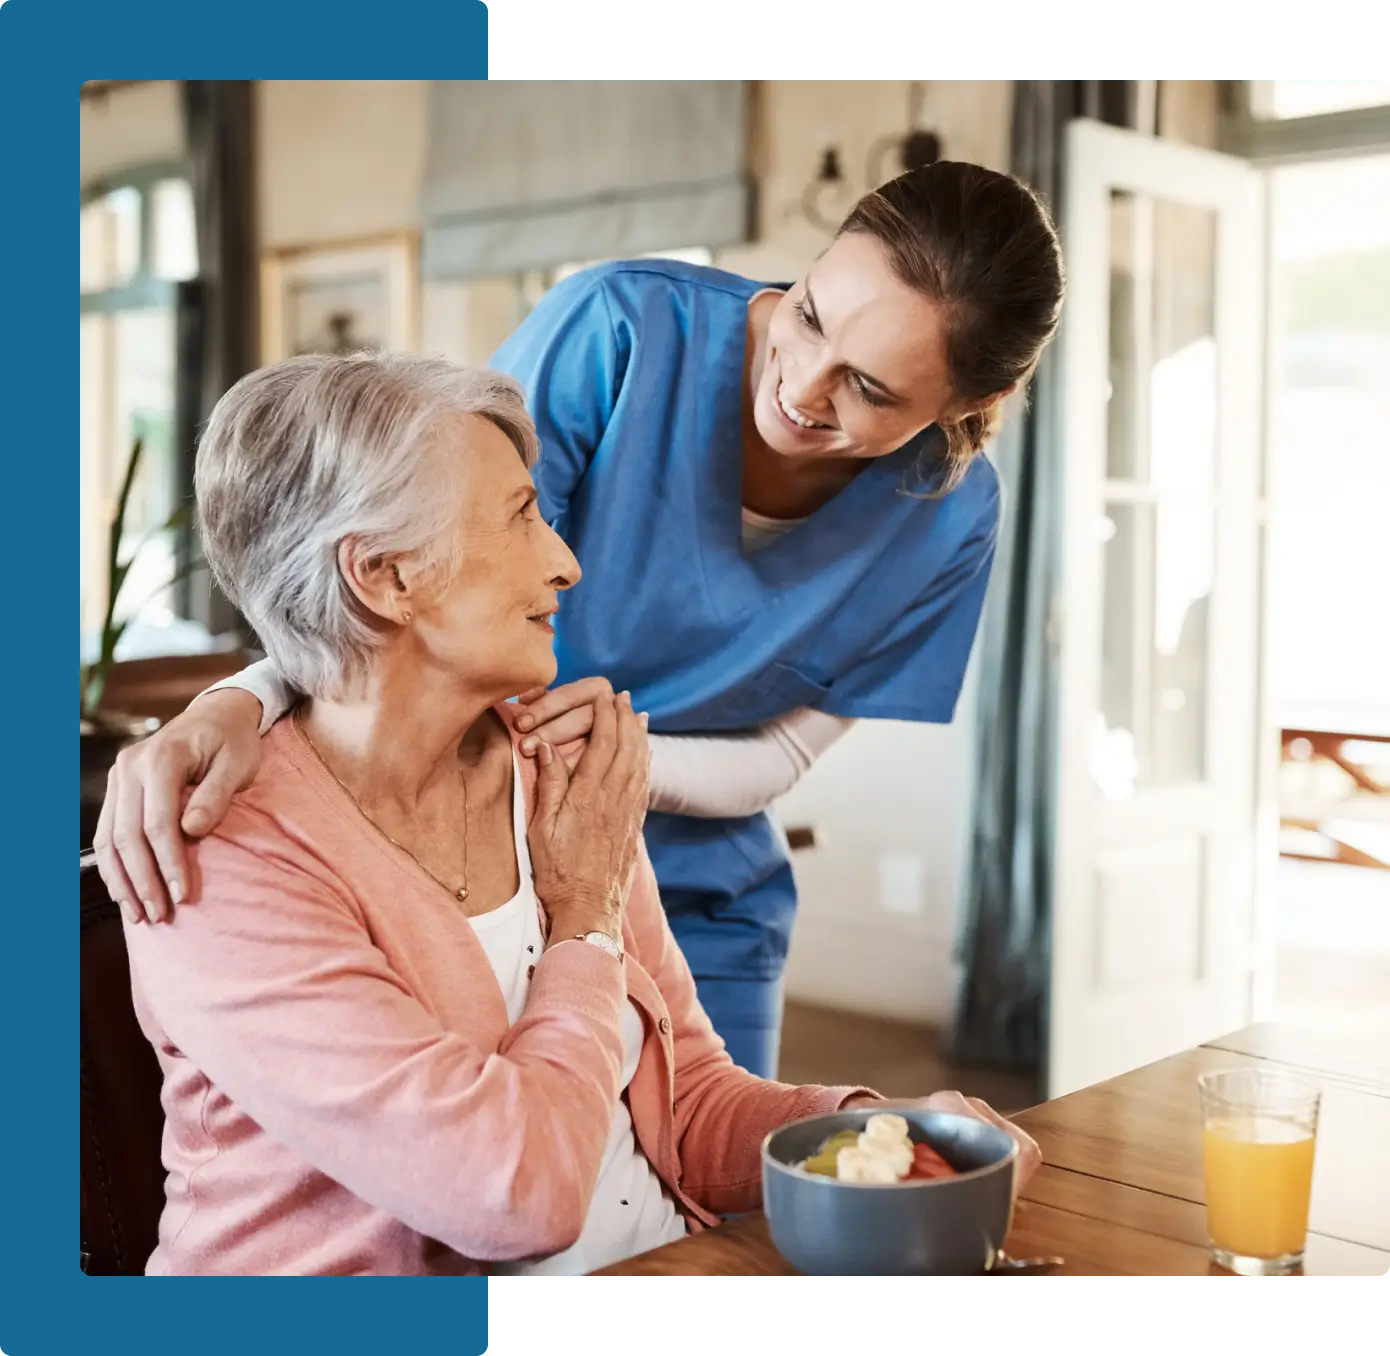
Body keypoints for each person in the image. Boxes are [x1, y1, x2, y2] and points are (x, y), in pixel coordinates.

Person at [96, 160, 1066, 1079]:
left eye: (868, 388)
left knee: (709, 1222)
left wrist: (609, 776)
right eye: (808, 315)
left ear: (970, 404)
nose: (801, 387)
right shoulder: (620, 331)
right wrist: (243, 698)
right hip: (469, 860)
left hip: (698, 895)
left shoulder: (949, 519)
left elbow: (782, 759)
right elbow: (400, 565)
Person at [117, 354, 1039, 1275]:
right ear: (385, 576)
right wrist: (585, 921)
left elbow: (688, 1106)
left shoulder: (555, 771)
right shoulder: (220, 853)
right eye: (522, 517)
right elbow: (518, 1194)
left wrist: (882, 1133)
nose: (566, 562)